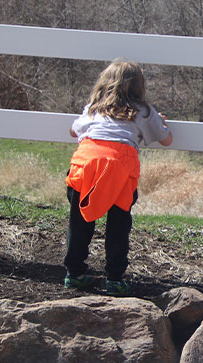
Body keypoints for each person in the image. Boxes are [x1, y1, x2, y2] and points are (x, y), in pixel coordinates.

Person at [63, 59, 173, 295]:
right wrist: (160, 122)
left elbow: (73, 130)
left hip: (86, 164)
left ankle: (74, 273)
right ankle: (114, 277)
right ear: (139, 86)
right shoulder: (144, 111)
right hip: (119, 169)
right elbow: (166, 139)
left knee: (79, 220)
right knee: (118, 224)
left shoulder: (94, 107)